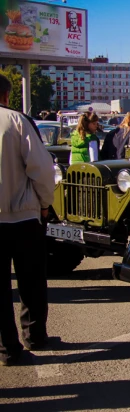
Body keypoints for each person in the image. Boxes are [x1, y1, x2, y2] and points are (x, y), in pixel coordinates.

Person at [0, 73, 55, 366]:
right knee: (32, 280)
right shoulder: (17, 122)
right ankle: (34, 336)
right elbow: (41, 168)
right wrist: (45, 204)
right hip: (22, 217)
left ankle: (7, 348)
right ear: (7, 95)